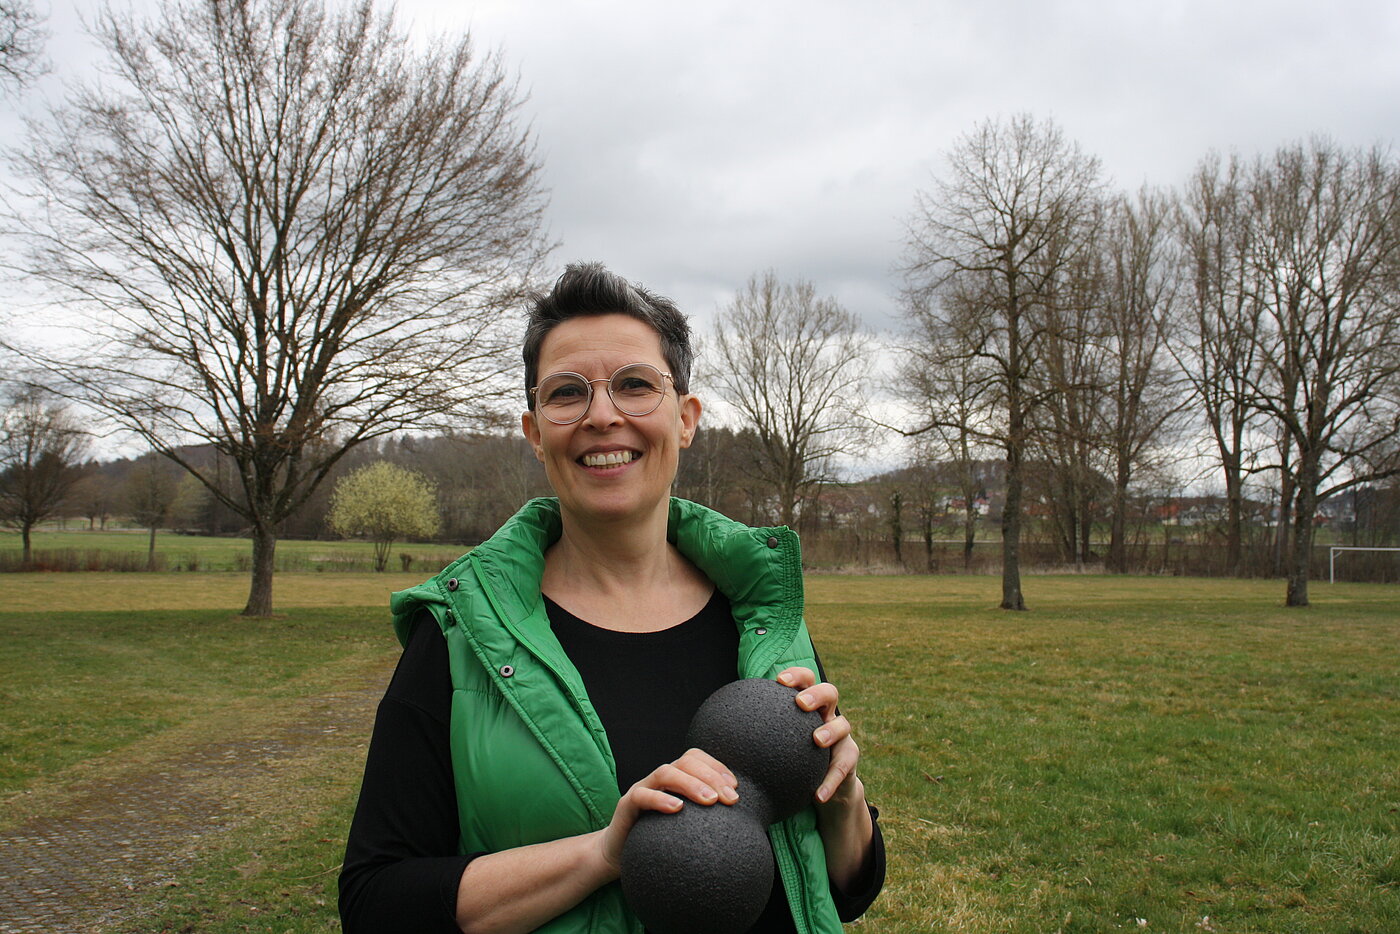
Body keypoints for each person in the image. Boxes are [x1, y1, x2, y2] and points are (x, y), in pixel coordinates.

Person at [339, 263, 885, 933]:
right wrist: (601, 854)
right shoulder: (460, 632)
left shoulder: (763, 616)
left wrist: (843, 800)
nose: (603, 416)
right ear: (536, 431)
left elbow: (845, 893)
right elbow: (375, 903)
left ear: (685, 419)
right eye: (568, 393)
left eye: (634, 385)